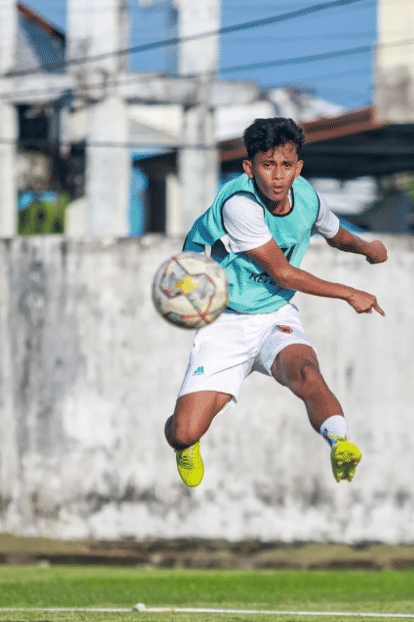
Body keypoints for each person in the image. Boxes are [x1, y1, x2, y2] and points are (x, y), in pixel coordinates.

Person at [164, 117, 388, 487]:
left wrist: (368, 248)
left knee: (307, 374)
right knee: (186, 431)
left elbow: (336, 234)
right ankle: (183, 445)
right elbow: (282, 272)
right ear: (250, 169)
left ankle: (340, 442)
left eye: (287, 165)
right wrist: (349, 291)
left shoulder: (308, 198)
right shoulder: (240, 205)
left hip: (275, 314)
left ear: (298, 167)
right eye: (268, 165)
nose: (278, 176)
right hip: (225, 318)